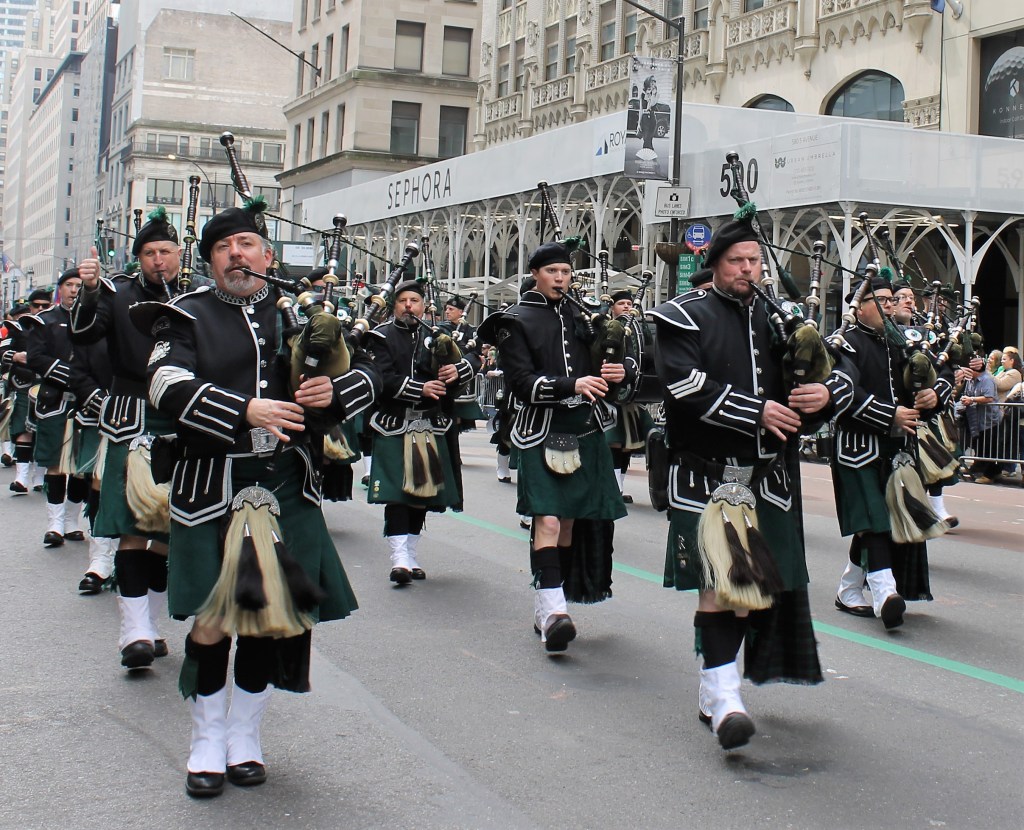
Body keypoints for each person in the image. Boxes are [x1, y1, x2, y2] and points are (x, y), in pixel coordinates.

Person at [141, 205, 380, 798]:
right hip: (211, 482)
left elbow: (375, 369)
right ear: (210, 260)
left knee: (267, 618)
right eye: (224, 247)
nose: (237, 255)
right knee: (214, 617)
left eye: (247, 244)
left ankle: (244, 735)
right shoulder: (184, 315)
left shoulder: (301, 313)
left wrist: (333, 391)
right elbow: (164, 384)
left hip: (286, 484)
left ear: (267, 256)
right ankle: (205, 739)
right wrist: (243, 409)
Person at [650, 219, 851, 750]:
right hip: (705, 475)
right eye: (737, 261)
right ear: (714, 264)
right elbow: (684, 384)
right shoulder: (682, 316)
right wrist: (756, 410)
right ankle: (726, 698)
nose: (747, 270)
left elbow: (832, 370)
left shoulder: (780, 318)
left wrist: (824, 394)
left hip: (766, 480)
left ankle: (715, 686)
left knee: (745, 595)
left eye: (754, 261)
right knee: (718, 586)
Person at [481, 242, 627, 654]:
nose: (560, 278)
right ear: (535, 274)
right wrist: (571, 384)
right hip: (540, 429)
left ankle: (547, 605)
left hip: (585, 429)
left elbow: (613, 371)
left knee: (568, 525)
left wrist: (618, 370)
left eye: (565, 271)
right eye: (552, 271)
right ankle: (554, 611)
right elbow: (521, 383)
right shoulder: (513, 320)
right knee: (547, 519)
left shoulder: (584, 317)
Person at [72, 209, 184, 667]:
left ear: (179, 254)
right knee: (133, 528)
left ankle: (150, 625)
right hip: (132, 416)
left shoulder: (195, 295)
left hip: (180, 418)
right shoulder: (117, 294)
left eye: (165, 252)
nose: (158, 260)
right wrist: (90, 291)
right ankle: (133, 631)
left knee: (168, 532)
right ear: (138, 258)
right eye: (149, 253)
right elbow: (84, 333)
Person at [830, 276, 948, 630]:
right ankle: (885, 593)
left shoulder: (900, 342)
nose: (889, 307)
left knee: (882, 519)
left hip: (898, 450)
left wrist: (933, 395)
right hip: (858, 448)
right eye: (881, 300)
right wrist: (888, 414)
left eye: (890, 300)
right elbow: (843, 394)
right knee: (874, 518)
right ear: (859, 306)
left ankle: (850, 588)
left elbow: (941, 371)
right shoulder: (845, 343)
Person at [364, 280, 469, 583]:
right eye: (403, 301)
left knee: (421, 493)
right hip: (394, 423)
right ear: (394, 306)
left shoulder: (438, 335)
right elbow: (381, 377)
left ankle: (410, 555)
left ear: (424, 306)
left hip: (430, 424)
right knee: (398, 493)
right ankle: (398, 558)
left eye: (414, 300)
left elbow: (469, 361)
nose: (409, 306)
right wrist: (419, 388)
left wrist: (455, 370)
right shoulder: (380, 336)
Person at [23, 269, 89, 547]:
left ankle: (72, 521)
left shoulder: (94, 319)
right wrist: (69, 376)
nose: (74, 290)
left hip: (86, 401)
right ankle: (54, 523)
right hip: (55, 400)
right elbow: (36, 357)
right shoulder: (45, 320)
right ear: (60, 289)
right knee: (55, 464)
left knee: (81, 467)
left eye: (79, 285)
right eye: (69, 284)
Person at [603, 289, 654, 504]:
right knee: (614, 443)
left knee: (627, 446)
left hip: (630, 395)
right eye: (621, 303)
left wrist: (640, 320)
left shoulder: (636, 328)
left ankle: (619, 487)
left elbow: (647, 345)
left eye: (629, 303)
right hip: (608, 394)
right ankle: (613, 487)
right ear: (612, 307)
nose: (626, 306)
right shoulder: (605, 326)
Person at [1, 301, 41, 490]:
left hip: (50, 386)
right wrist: (14, 357)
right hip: (24, 384)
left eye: (44, 305)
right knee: (22, 430)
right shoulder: (17, 329)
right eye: (37, 305)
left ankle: (40, 479)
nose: (40, 309)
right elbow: (2, 351)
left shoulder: (57, 322)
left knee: (44, 434)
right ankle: (21, 478)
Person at [959, 355, 1000, 483]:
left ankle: (990, 474)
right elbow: (967, 394)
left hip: (989, 420)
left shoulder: (987, 380)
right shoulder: (970, 380)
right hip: (976, 420)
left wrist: (971, 399)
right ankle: (978, 467)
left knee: (989, 448)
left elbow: (989, 398)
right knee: (980, 446)